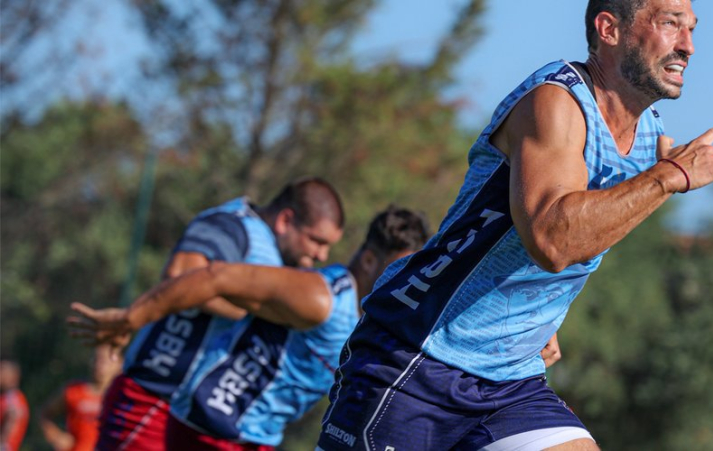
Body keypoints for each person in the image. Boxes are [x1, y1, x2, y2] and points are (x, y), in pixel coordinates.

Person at [313, 1, 713, 450]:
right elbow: (552, 241)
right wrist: (668, 178)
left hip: (510, 381)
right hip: (418, 355)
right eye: (670, 25)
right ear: (609, 29)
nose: (688, 46)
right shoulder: (555, 101)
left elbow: (578, 234)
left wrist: (535, 317)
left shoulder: (650, 135)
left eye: (692, 30)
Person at [68, 206, 431, 450]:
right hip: (213, 431)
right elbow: (216, 276)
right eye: (397, 268)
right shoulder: (321, 297)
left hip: (247, 438)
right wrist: (132, 318)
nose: (402, 281)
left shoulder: (361, 314)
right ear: (369, 259)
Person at [95, 177, 344, 450]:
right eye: (317, 241)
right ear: (286, 220)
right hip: (153, 399)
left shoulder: (275, 258)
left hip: (192, 417)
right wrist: (249, 308)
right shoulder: (233, 225)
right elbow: (181, 274)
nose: (322, 254)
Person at [40, 345, 123, 451]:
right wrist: (57, 437)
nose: (100, 364)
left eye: (106, 360)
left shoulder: (123, 397)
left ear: (119, 364)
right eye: (96, 358)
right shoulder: (73, 391)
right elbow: (44, 415)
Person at [0, 361, 28, 451]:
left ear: (13, 375)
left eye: (2, 371)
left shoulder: (12, 400)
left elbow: (8, 432)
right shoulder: (6, 398)